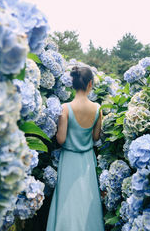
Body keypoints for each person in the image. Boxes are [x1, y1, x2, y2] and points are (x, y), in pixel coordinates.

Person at [46, 66, 105, 231]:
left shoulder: (65, 108)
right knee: (87, 201)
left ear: (72, 84)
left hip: (69, 159)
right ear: (90, 84)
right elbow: (95, 137)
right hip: (86, 160)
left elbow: (61, 139)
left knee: (67, 202)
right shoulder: (97, 109)